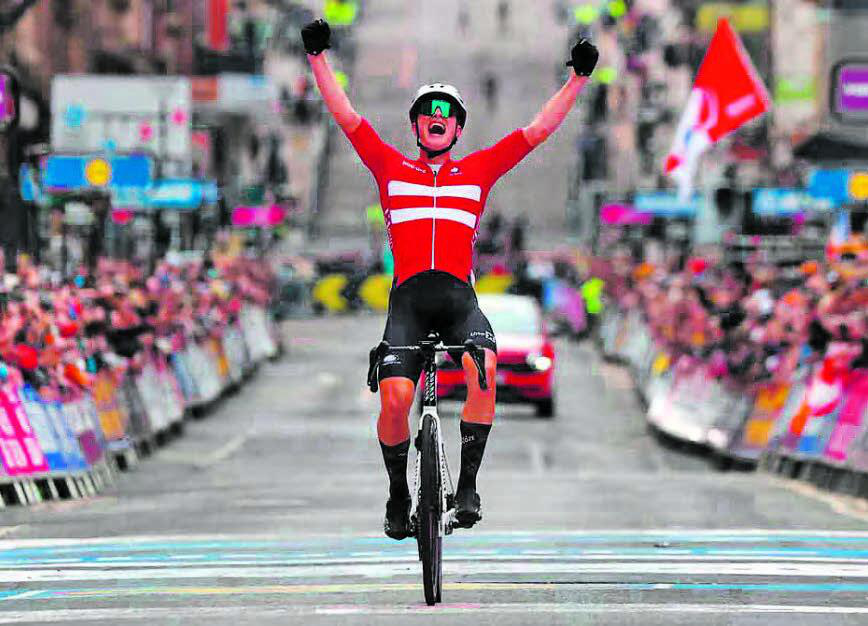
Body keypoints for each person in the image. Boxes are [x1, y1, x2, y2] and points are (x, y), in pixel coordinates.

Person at [302, 18, 598, 539]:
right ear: (416, 127)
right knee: (396, 400)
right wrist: (318, 58)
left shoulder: (478, 170)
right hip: (409, 303)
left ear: (457, 130)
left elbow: (536, 131)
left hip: (459, 300)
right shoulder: (389, 167)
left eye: (446, 115)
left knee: (485, 369)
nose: (437, 118)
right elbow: (346, 116)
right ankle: (399, 495)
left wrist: (577, 78)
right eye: (427, 113)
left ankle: (467, 488)